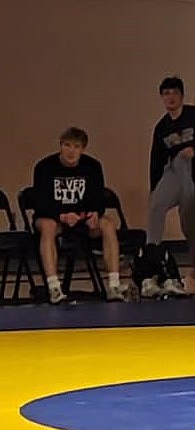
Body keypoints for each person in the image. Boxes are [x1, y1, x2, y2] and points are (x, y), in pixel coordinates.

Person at [32, 127, 127, 304]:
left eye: (76, 146)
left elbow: (99, 197)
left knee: (107, 224)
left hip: (81, 218)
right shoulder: (44, 167)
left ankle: (114, 284)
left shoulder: (93, 166)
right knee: (48, 226)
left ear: (83, 148)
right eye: (67, 145)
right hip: (54, 217)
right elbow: (41, 202)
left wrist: (94, 214)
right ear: (60, 146)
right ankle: (54, 287)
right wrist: (62, 216)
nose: (71, 151)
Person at [147, 76, 195, 297]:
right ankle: (150, 262)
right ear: (161, 98)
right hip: (178, 173)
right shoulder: (162, 127)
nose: (170, 98)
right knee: (156, 206)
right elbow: (156, 160)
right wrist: (153, 188)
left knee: (193, 228)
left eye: (174, 93)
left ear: (182, 95)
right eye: (166, 94)